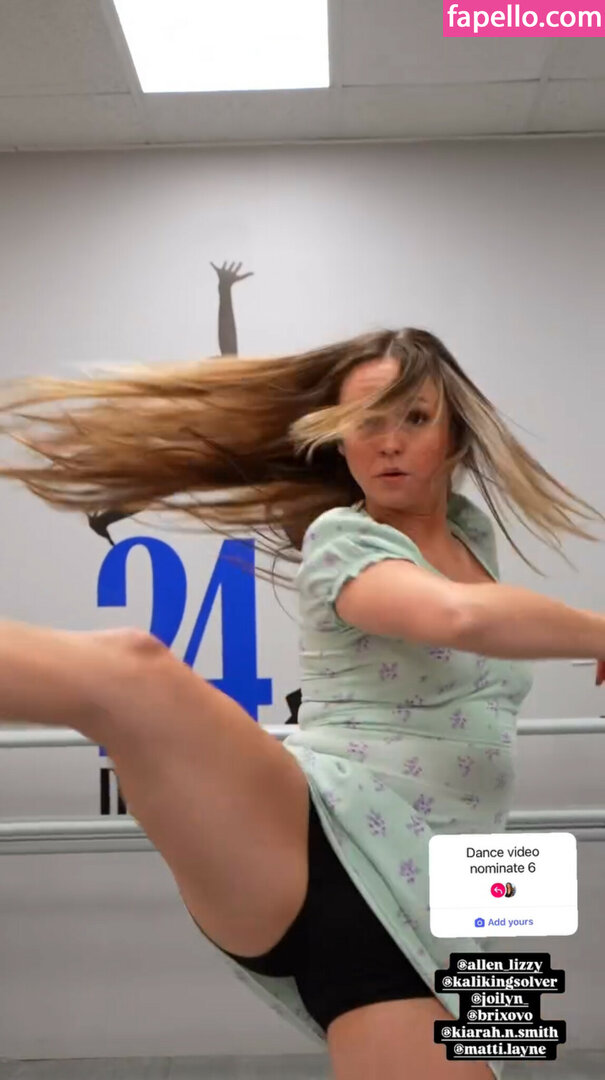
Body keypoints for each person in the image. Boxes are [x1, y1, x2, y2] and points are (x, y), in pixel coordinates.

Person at [0, 326, 604, 1080]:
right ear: (340, 443)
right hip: (323, 839)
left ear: (454, 436)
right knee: (131, 674)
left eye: (414, 418)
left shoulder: (472, 540)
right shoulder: (344, 540)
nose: (389, 442)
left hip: (442, 892)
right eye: (366, 422)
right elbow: (452, 617)